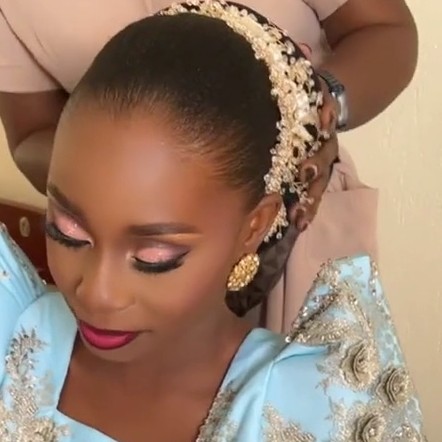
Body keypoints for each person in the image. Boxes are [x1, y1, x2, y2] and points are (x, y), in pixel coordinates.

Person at [0, 2, 425, 440]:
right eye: (66, 231)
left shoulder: (319, 406)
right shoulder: (16, 336)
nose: (98, 294)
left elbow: (383, 28)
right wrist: (113, 168)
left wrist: (316, 110)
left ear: (255, 226)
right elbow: (30, 132)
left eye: (155, 255)